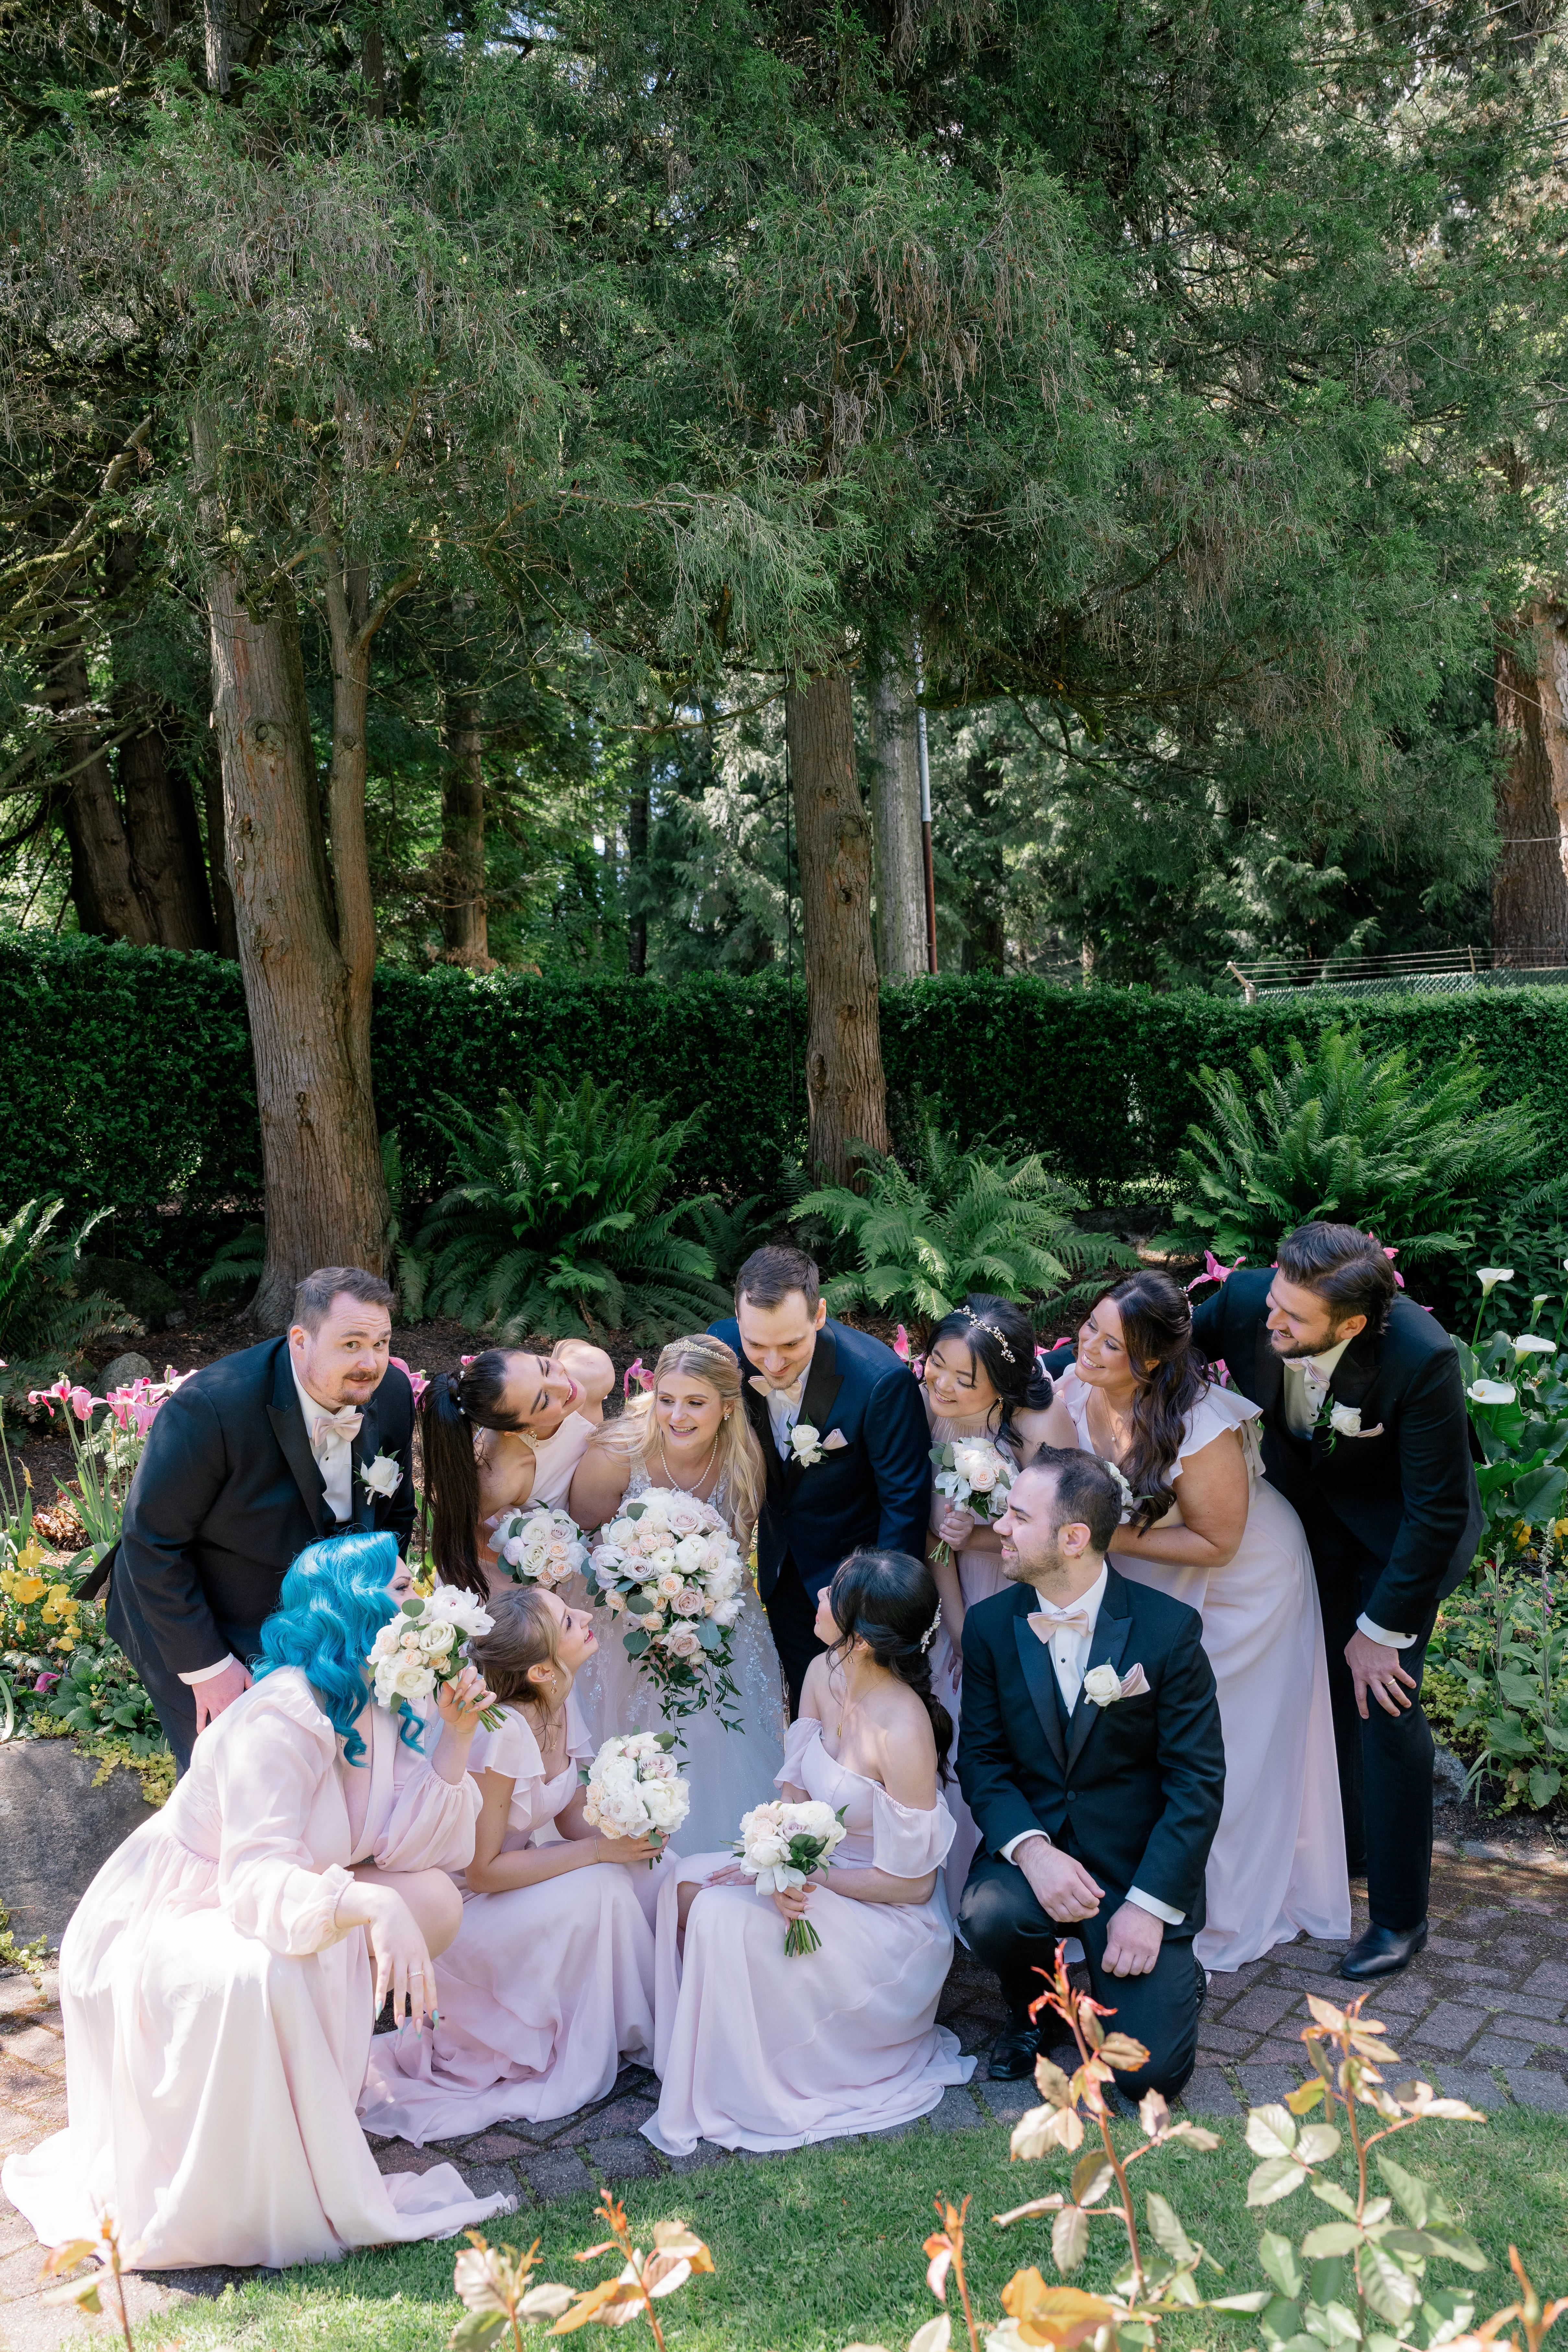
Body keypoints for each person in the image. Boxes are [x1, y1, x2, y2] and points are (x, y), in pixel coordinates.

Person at [2, 1532, 509, 2270]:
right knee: (278, 1960)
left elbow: (413, 1848)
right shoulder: (287, 1713)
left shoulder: (379, 1701)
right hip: (173, 1907)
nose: (422, 1603)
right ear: (355, 1605)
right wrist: (365, 1906)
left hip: (268, 1885)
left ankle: (317, 2094)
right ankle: (266, 2155)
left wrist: (456, 1738)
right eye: (403, 1589)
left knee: (430, 1897)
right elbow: (252, 1880)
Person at [1189, 1222, 1483, 1980]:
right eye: (1275, 1305)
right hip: (1304, 1525)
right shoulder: (1254, 1297)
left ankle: (1398, 1918)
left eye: (1293, 1319)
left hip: (1398, 1540)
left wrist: (1382, 1630)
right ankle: (1344, 1846)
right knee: (1315, 1681)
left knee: (1381, 1702)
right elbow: (1165, 1347)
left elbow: (1438, 1511)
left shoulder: (1422, 1357)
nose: (1271, 1323)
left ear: (1350, 1324)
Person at [1041, 1271, 1349, 1970]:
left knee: (1222, 1744)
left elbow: (1219, 1541)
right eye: (1089, 1326)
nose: (1087, 1346)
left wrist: (1092, 1533)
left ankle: (1221, 1907)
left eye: (1109, 1343)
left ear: (1149, 1361)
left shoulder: (1200, 1422)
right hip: (1154, 1570)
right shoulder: (1075, 1387)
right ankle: (1134, 1890)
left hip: (1245, 1588)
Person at [643, 1549, 973, 2155]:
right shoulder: (824, 1671)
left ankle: (747, 2076)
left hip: (887, 1917)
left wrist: (807, 1879)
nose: (817, 1598)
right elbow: (795, 1784)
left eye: (832, 1597)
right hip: (816, 1871)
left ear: (865, 1637)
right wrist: (769, 1852)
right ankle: (714, 2053)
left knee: (719, 1914)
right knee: (685, 1883)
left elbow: (914, 1887)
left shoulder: (903, 1731)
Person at [957, 1449, 1224, 2098]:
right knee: (992, 1913)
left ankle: (1166, 1972)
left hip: (1132, 1872)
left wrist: (1150, 1907)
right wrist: (1033, 1853)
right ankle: (1035, 2008)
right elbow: (982, 1762)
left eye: (1019, 1516)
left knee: (1148, 2076)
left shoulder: (1167, 1631)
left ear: (1072, 1538)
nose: (1000, 1526)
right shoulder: (991, 1625)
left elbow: (1197, 1781)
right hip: (1037, 1851)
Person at [359, 1586, 667, 2141]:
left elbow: (570, 1812)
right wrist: (599, 1852)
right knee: (603, 1886)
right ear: (541, 1671)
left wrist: (630, 1821)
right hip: (467, 1913)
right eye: (570, 1622)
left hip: (509, 1884)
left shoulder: (560, 1700)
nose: (586, 1617)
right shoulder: (500, 1735)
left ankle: (649, 2022)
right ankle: (622, 2032)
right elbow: (483, 1872)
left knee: (649, 1872)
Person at [101, 1266, 416, 1773]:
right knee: (231, 1772)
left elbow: (395, 1511)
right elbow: (152, 1541)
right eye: (352, 1342)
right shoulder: (212, 1407)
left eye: (381, 1343)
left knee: (329, 1764)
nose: (370, 1362)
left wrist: (371, 1608)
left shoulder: (393, 1392)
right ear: (300, 1340)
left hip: (316, 1612)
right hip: (207, 1611)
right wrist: (210, 1668)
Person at [568, 1335, 788, 1850]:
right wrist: (640, 1591)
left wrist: (693, 1610)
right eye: (667, 1399)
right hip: (615, 1613)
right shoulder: (618, 1451)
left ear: (727, 1407)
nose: (677, 1416)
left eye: (695, 1402)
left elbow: (734, 1553)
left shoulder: (743, 1459)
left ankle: (710, 1850)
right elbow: (579, 1538)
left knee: (713, 1731)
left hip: (708, 1615)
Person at [710, 1246, 931, 1713]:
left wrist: (875, 1613)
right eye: (757, 1345)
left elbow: (904, 1504)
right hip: (781, 1566)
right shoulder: (722, 1348)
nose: (771, 1363)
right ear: (737, 1317)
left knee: (859, 1714)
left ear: (820, 1313)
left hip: (854, 1578)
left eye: (790, 1345)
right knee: (804, 1708)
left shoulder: (880, 1381)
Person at [919, 1295, 1057, 1897]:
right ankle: (952, 1887)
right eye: (936, 1364)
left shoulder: (1036, 1433)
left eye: (963, 1379)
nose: (942, 1386)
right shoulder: (930, 1414)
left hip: (1029, 1594)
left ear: (1000, 1384)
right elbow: (933, 1538)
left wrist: (977, 1535)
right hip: (961, 1598)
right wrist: (957, 1629)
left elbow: (1062, 1542)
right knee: (954, 1711)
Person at [418, 1339, 615, 1598]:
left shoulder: (592, 1371)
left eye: (544, 1367)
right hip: (515, 1582)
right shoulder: (499, 1476)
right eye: (544, 1400)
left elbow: (564, 1346)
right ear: (517, 1430)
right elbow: (458, 1534)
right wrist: (531, 1558)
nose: (563, 1386)